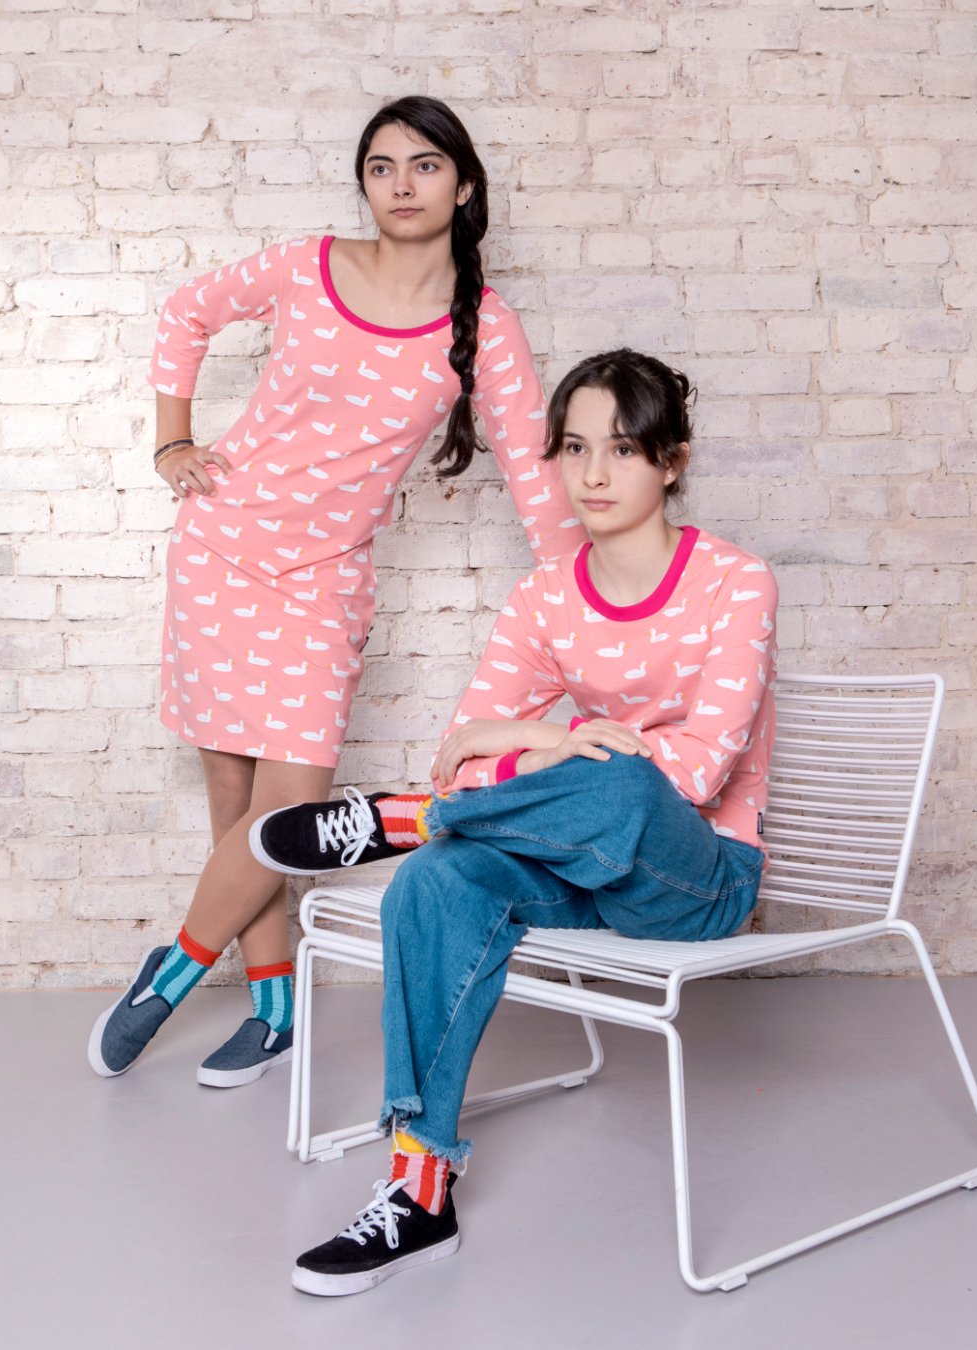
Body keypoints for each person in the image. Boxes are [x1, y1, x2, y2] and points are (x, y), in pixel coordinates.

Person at [253, 348, 779, 1296]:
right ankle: (419, 1191)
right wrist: (548, 736)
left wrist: (539, 751)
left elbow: (699, 772)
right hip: (582, 867)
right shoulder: (546, 597)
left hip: (698, 878)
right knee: (435, 880)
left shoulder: (736, 583)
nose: (593, 474)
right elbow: (462, 746)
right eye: (574, 448)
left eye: (622, 449)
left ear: (672, 461)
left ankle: (413, 820)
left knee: (627, 786)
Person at [87, 96, 585, 1089]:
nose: (402, 185)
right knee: (234, 804)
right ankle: (274, 1008)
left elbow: (536, 477)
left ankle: (172, 971)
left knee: (291, 813)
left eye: (426, 165)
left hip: (324, 582)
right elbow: (187, 311)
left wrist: (591, 600)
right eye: (381, 167)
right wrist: (172, 441)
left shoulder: (485, 327)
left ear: (464, 186)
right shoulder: (305, 267)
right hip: (222, 550)